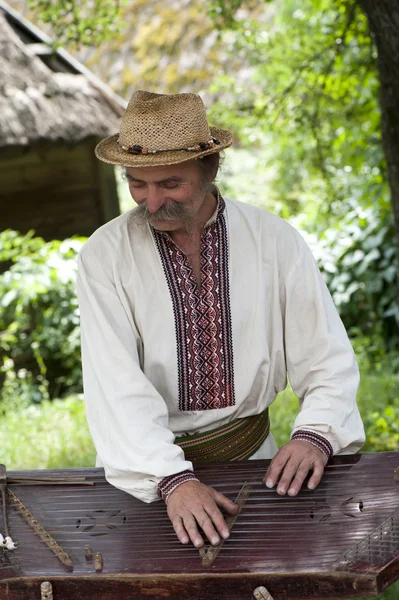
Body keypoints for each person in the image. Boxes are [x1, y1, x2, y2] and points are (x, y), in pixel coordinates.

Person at [76, 90, 365, 550]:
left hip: (255, 465)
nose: (151, 204)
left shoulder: (274, 240)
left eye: (170, 184)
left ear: (209, 169)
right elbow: (115, 383)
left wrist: (316, 433)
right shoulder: (104, 257)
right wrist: (170, 479)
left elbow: (325, 355)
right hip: (148, 483)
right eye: (137, 184)